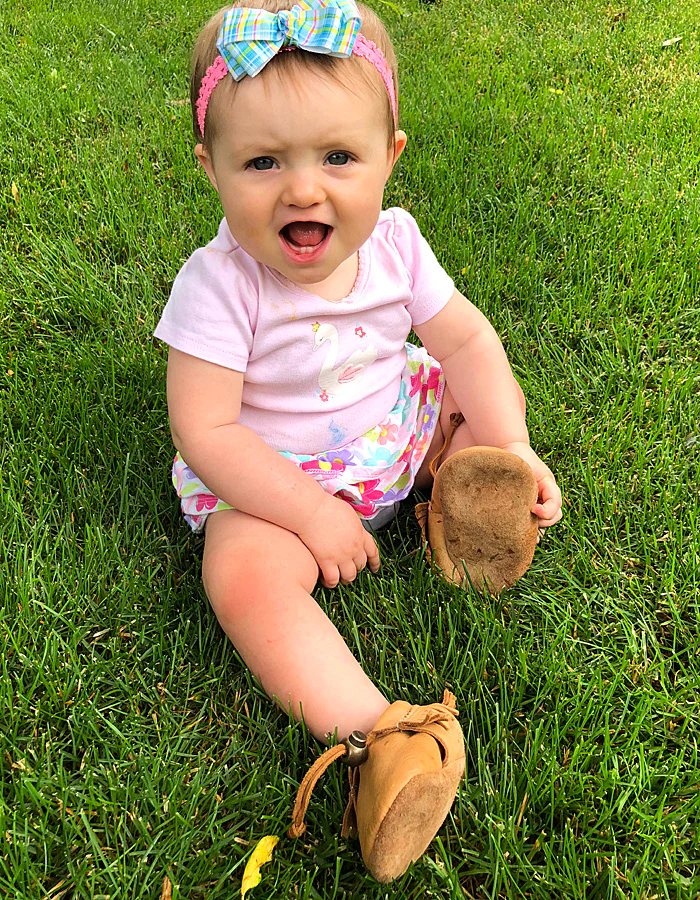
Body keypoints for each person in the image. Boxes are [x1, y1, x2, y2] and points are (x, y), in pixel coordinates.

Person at [154, 0, 562, 881]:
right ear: (211, 170)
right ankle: (386, 737)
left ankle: (474, 479)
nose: (304, 189)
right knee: (243, 575)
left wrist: (510, 440)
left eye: (338, 157)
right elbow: (207, 429)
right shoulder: (218, 287)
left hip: (397, 427)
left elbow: (466, 341)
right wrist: (308, 514)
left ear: (391, 158)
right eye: (263, 162)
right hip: (274, 479)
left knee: (460, 389)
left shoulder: (400, 248)